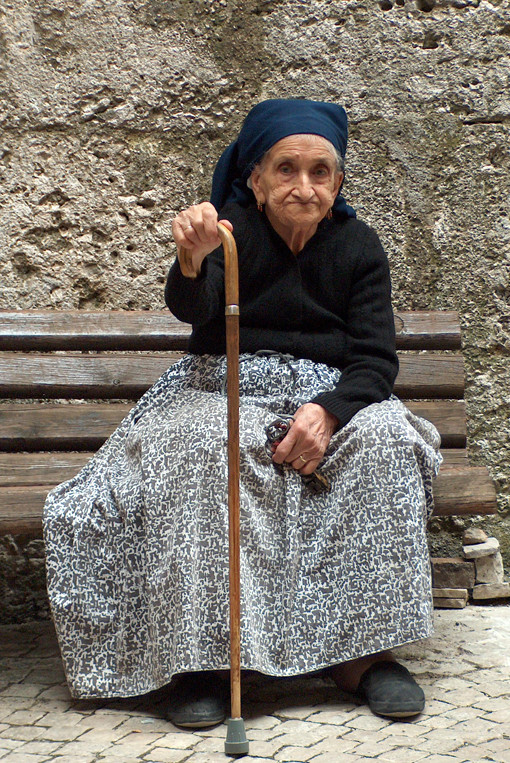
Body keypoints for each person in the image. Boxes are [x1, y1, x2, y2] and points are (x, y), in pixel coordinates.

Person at [44, 99, 442, 729]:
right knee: (202, 447)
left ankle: (362, 654)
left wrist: (330, 412)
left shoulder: (359, 246)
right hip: (220, 383)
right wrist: (193, 259)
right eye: (286, 169)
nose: (303, 186)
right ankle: (204, 661)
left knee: (390, 437)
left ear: (338, 183)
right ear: (255, 178)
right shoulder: (229, 231)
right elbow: (194, 309)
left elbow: (374, 360)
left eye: (320, 172)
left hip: (328, 394)